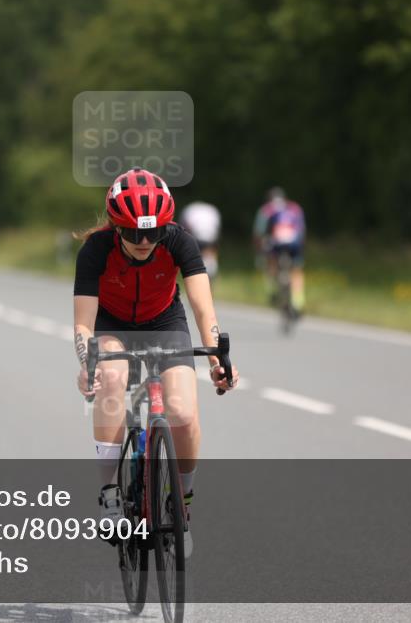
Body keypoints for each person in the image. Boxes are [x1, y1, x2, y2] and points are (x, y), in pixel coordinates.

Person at [73, 168, 240, 557]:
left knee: (183, 412)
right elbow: (83, 322)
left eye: (154, 232)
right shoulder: (96, 250)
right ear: (117, 228)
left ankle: (181, 504)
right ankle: (111, 493)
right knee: (111, 379)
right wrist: (87, 363)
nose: (145, 241)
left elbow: (202, 305)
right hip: (112, 324)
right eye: (134, 234)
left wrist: (218, 356)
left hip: (165, 320)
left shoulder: (180, 241)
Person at [253, 187, 306, 315]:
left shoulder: (267, 209)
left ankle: (272, 290)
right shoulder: (295, 207)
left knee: (270, 261)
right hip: (294, 242)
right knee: (296, 270)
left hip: (276, 242)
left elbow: (259, 232)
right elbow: (302, 229)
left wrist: (259, 251)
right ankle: (298, 301)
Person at [179, 200, 221, 282]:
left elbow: (182, 229)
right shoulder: (212, 210)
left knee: (195, 262)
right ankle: (208, 281)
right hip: (210, 238)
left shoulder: (189, 209)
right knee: (209, 260)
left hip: (195, 236)